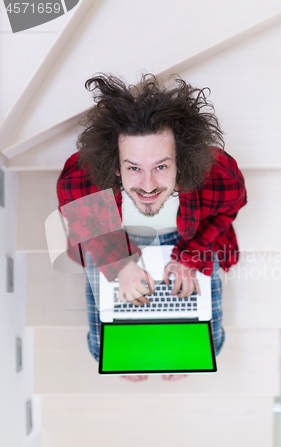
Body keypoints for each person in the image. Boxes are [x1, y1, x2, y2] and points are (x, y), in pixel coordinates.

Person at [56, 73, 247, 381]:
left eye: (161, 166)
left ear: (181, 162)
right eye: (133, 168)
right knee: (101, 349)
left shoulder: (219, 173)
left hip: (190, 234)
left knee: (210, 344)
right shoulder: (83, 177)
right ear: (116, 167)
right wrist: (120, 265)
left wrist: (190, 257)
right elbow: (83, 218)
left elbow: (227, 209)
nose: (147, 186)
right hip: (112, 233)